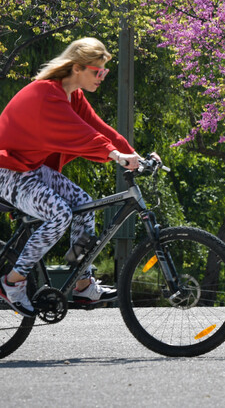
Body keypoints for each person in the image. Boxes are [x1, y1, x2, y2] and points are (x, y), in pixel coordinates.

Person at [0, 37, 141, 317]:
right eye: (97, 71)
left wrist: (134, 154)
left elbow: (99, 128)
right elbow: (82, 134)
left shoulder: (73, 95)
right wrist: (115, 156)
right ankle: (12, 281)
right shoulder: (46, 94)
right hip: (8, 171)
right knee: (60, 214)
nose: (101, 77)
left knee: (84, 204)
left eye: (105, 72)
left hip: (31, 168)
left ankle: (83, 282)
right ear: (77, 68)